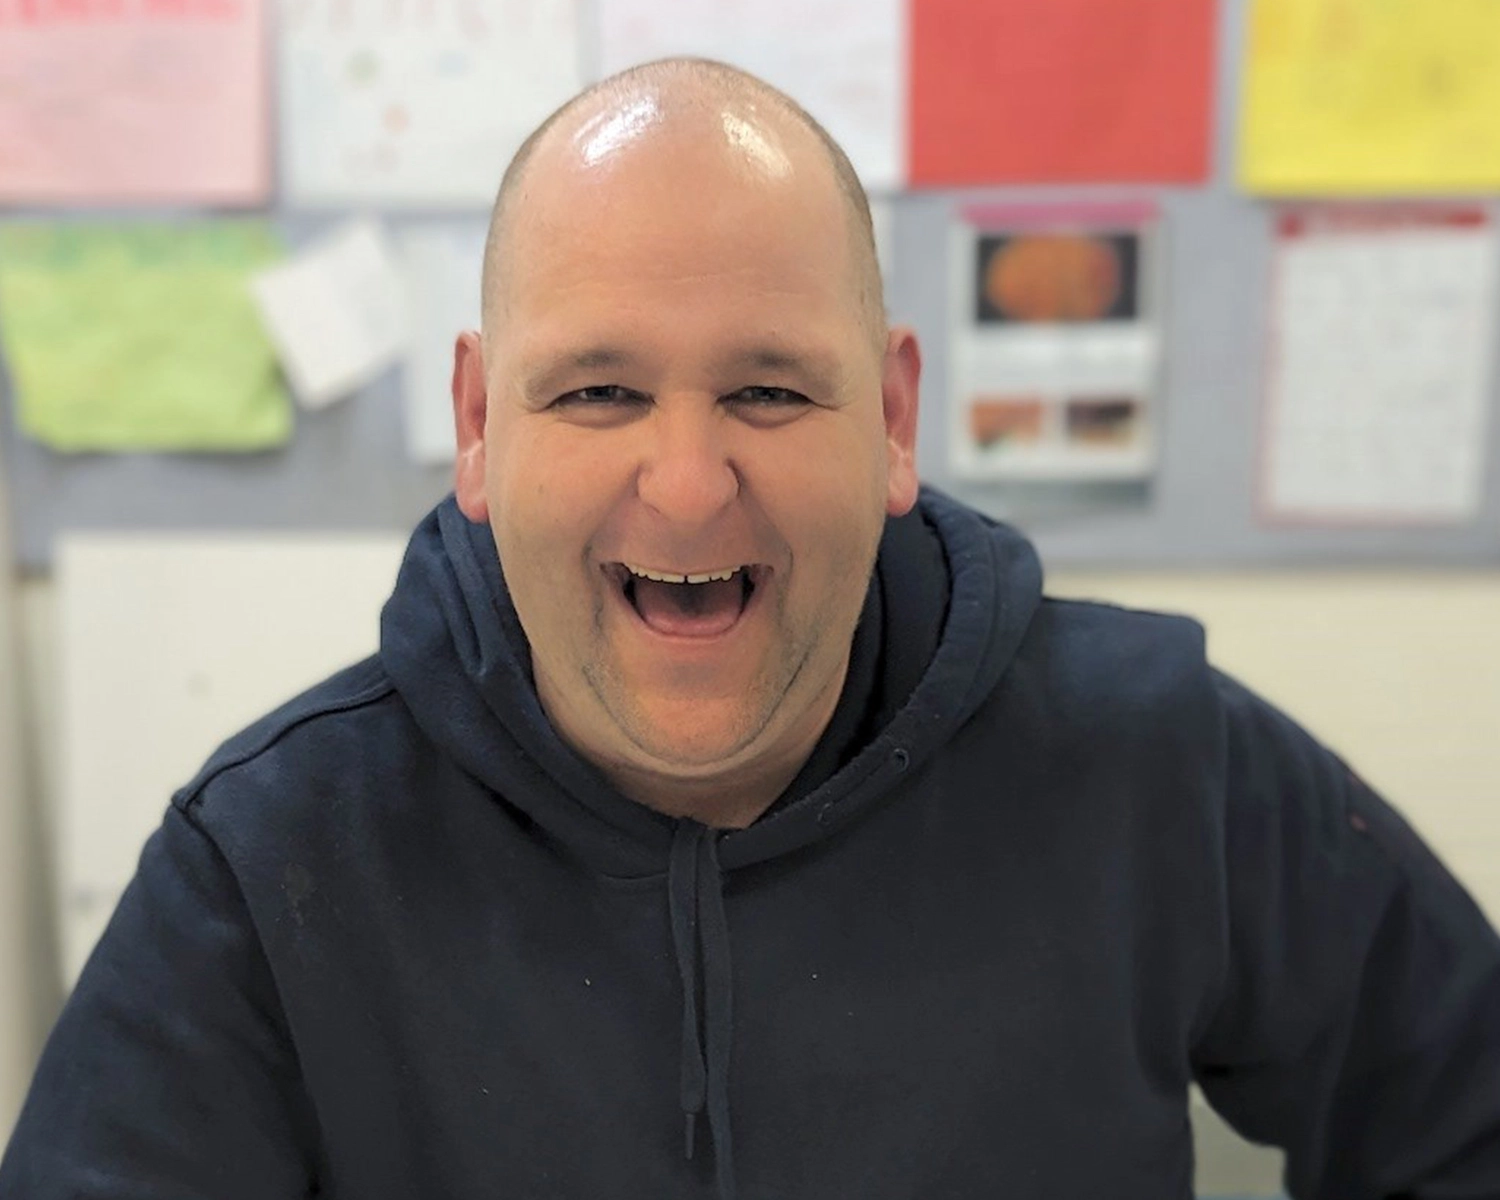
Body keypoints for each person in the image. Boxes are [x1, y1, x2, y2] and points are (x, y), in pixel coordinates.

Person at [3, 58, 1499, 1200]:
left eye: (771, 392)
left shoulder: (1153, 755)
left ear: (894, 417)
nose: (688, 480)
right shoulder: (269, 865)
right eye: (597, 391)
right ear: (476, 424)